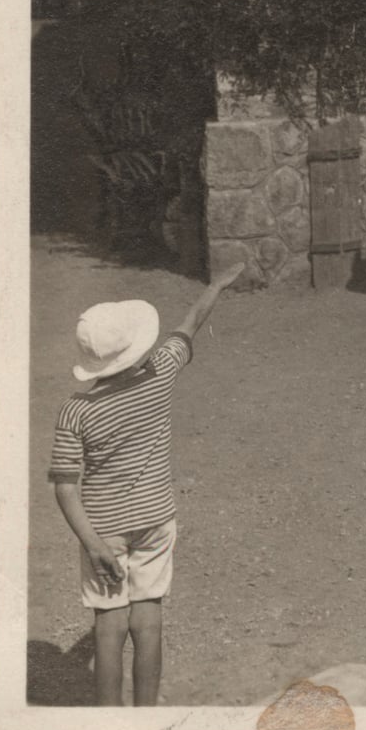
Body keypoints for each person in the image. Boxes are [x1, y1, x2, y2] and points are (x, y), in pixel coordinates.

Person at [50, 266, 244, 705]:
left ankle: (108, 726)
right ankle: (146, 719)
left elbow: (64, 487)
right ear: (136, 350)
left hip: (102, 528)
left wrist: (94, 545)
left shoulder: (74, 411)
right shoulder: (160, 374)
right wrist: (215, 286)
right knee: (149, 620)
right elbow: (189, 325)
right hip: (156, 520)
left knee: (109, 624)